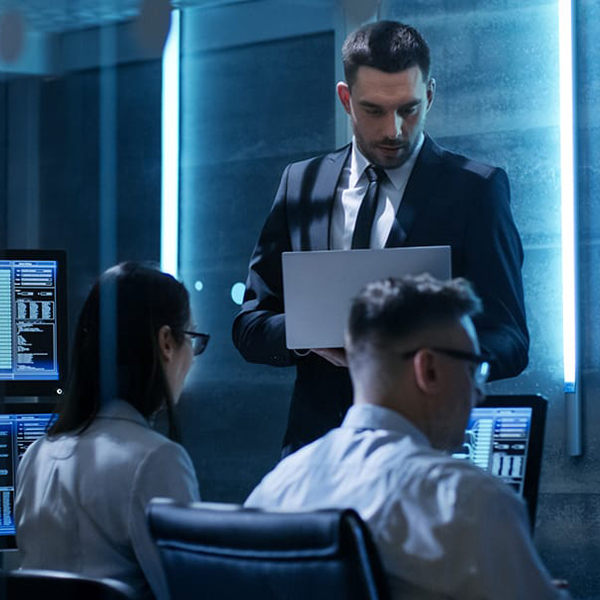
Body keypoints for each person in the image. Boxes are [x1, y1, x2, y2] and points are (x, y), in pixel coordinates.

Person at [232, 20, 529, 456]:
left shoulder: (475, 191)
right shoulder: (301, 184)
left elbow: (510, 340)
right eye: (374, 111)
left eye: (409, 108)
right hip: (316, 452)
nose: (394, 130)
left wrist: (428, 359)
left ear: (429, 95)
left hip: (424, 453)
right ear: (346, 100)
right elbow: (250, 324)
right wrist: (309, 334)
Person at [245, 275, 568, 600]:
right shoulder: (468, 499)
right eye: (473, 369)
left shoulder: (276, 487)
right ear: (427, 369)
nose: (478, 392)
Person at [15, 262, 209, 600]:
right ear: (166, 341)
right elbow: (190, 591)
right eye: (192, 338)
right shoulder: (156, 459)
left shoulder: (35, 456)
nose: (192, 358)